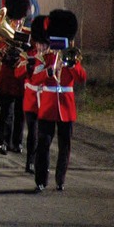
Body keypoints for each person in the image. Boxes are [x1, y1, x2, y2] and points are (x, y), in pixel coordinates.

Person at [32, 10, 86, 192]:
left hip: (66, 107)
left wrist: (70, 64)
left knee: (65, 146)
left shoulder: (71, 58)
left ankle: (60, 179)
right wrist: (50, 69)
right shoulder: (44, 58)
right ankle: (41, 179)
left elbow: (81, 77)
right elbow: (35, 79)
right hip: (48, 107)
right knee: (43, 144)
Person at [0, 0, 30, 155]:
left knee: (20, 114)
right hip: (8, 77)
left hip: (21, 79)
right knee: (6, 112)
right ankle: (3, 141)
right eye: (15, 20)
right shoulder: (3, 33)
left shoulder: (28, 35)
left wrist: (24, 52)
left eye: (20, 20)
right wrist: (5, 51)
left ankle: (17, 142)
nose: (17, 23)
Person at [15, 14, 48, 174]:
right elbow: (17, 73)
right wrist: (27, 67)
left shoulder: (53, 57)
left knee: (43, 136)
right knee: (33, 133)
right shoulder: (28, 54)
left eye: (44, 44)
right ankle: (30, 162)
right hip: (31, 99)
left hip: (47, 100)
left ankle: (41, 162)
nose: (41, 46)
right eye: (39, 43)